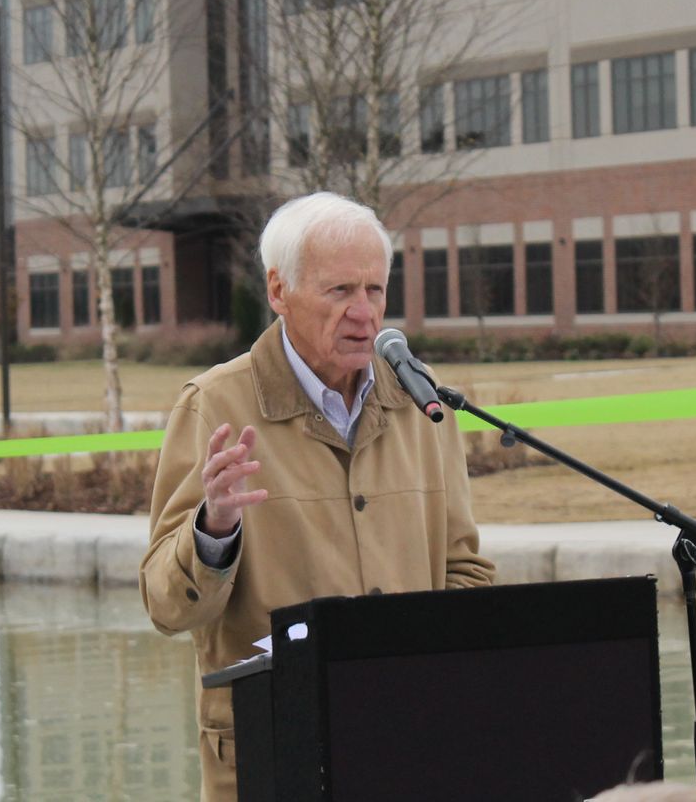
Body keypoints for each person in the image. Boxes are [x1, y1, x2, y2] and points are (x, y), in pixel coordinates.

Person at [140, 192, 496, 801]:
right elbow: (166, 607)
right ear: (279, 292)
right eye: (339, 292)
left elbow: (464, 571)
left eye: (375, 291)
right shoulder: (214, 406)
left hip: (408, 748)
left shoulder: (421, 400)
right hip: (277, 756)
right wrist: (214, 530)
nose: (364, 313)